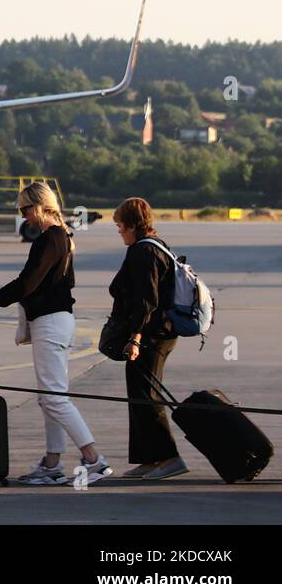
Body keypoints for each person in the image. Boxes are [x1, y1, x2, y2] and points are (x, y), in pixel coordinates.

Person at [0, 181, 112, 485]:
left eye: (25, 209)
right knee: (49, 396)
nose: (23, 216)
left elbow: (26, 283)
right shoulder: (61, 237)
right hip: (56, 321)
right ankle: (52, 463)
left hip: (51, 322)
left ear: (38, 206)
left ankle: (94, 460)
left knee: (53, 397)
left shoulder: (49, 239)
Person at [109, 197, 188, 480]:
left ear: (132, 225)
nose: (118, 230)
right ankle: (149, 459)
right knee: (139, 394)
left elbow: (147, 301)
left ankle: (169, 457)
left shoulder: (144, 252)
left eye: (120, 225)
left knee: (148, 395)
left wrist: (136, 337)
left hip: (153, 335)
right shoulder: (152, 246)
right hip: (154, 332)